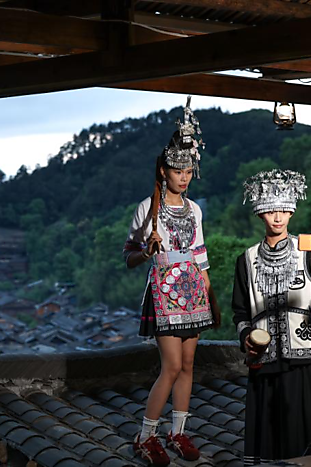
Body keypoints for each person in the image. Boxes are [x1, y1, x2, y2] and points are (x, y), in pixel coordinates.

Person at [124, 97, 220, 466]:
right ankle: (145, 436)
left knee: (190, 364)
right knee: (172, 366)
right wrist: (147, 251)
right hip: (164, 291)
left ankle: (178, 431)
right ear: (164, 170)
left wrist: (211, 296)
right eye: (177, 170)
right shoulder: (147, 209)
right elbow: (129, 257)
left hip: (193, 290)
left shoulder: (194, 209)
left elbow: (200, 255)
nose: (184, 176)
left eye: (189, 171)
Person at [232, 169, 311, 466]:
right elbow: (241, 312)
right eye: (271, 211)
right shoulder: (246, 260)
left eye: (284, 210)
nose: (278, 217)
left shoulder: (308, 250)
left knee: (303, 435)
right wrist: (246, 338)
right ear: (260, 213)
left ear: (292, 212)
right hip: (263, 357)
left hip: (302, 357)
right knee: (269, 438)